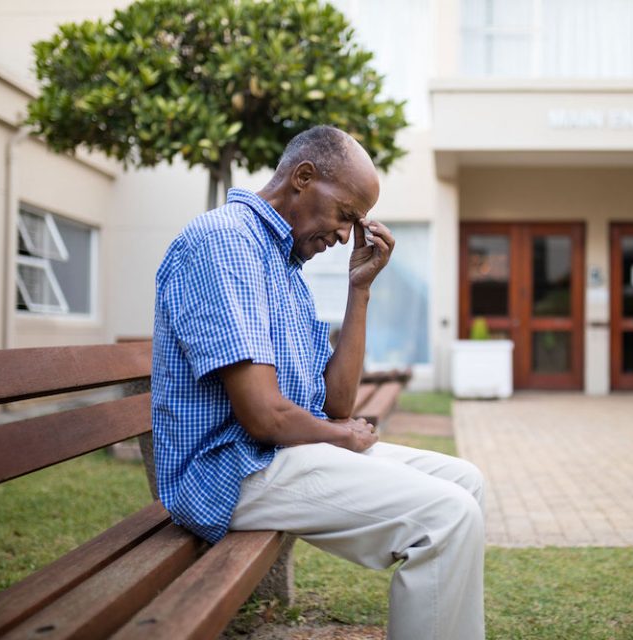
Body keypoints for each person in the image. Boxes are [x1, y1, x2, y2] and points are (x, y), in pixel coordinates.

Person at [151, 125, 485, 640]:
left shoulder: (283, 264)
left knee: (466, 484)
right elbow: (264, 416)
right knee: (448, 517)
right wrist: (342, 437)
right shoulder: (226, 243)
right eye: (346, 215)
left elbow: (336, 402)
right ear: (304, 178)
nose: (347, 235)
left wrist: (360, 290)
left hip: (275, 454)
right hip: (229, 468)